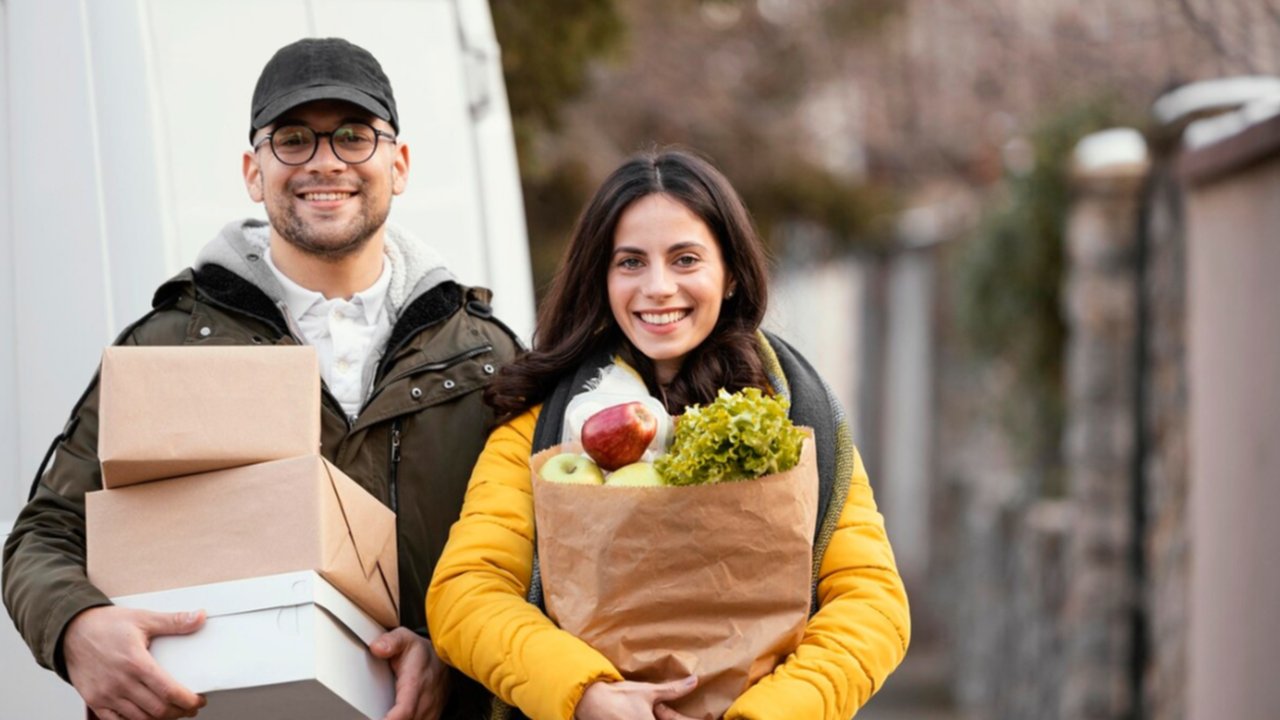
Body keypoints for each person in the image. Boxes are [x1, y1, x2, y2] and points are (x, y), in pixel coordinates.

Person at [1, 37, 519, 720]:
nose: (325, 162)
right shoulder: (169, 344)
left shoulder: (487, 358)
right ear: (254, 171)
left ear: (400, 164)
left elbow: (539, 568)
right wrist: (75, 628)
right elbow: (43, 536)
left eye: (355, 137)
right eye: (294, 139)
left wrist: (452, 657)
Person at [426, 149, 910, 720]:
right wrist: (585, 694)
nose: (658, 287)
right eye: (630, 262)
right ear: (600, 278)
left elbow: (872, 602)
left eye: (685, 260)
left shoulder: (796, 412)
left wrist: (768, 714)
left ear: (729, 274)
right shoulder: (543, 423)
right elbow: (466, 591)